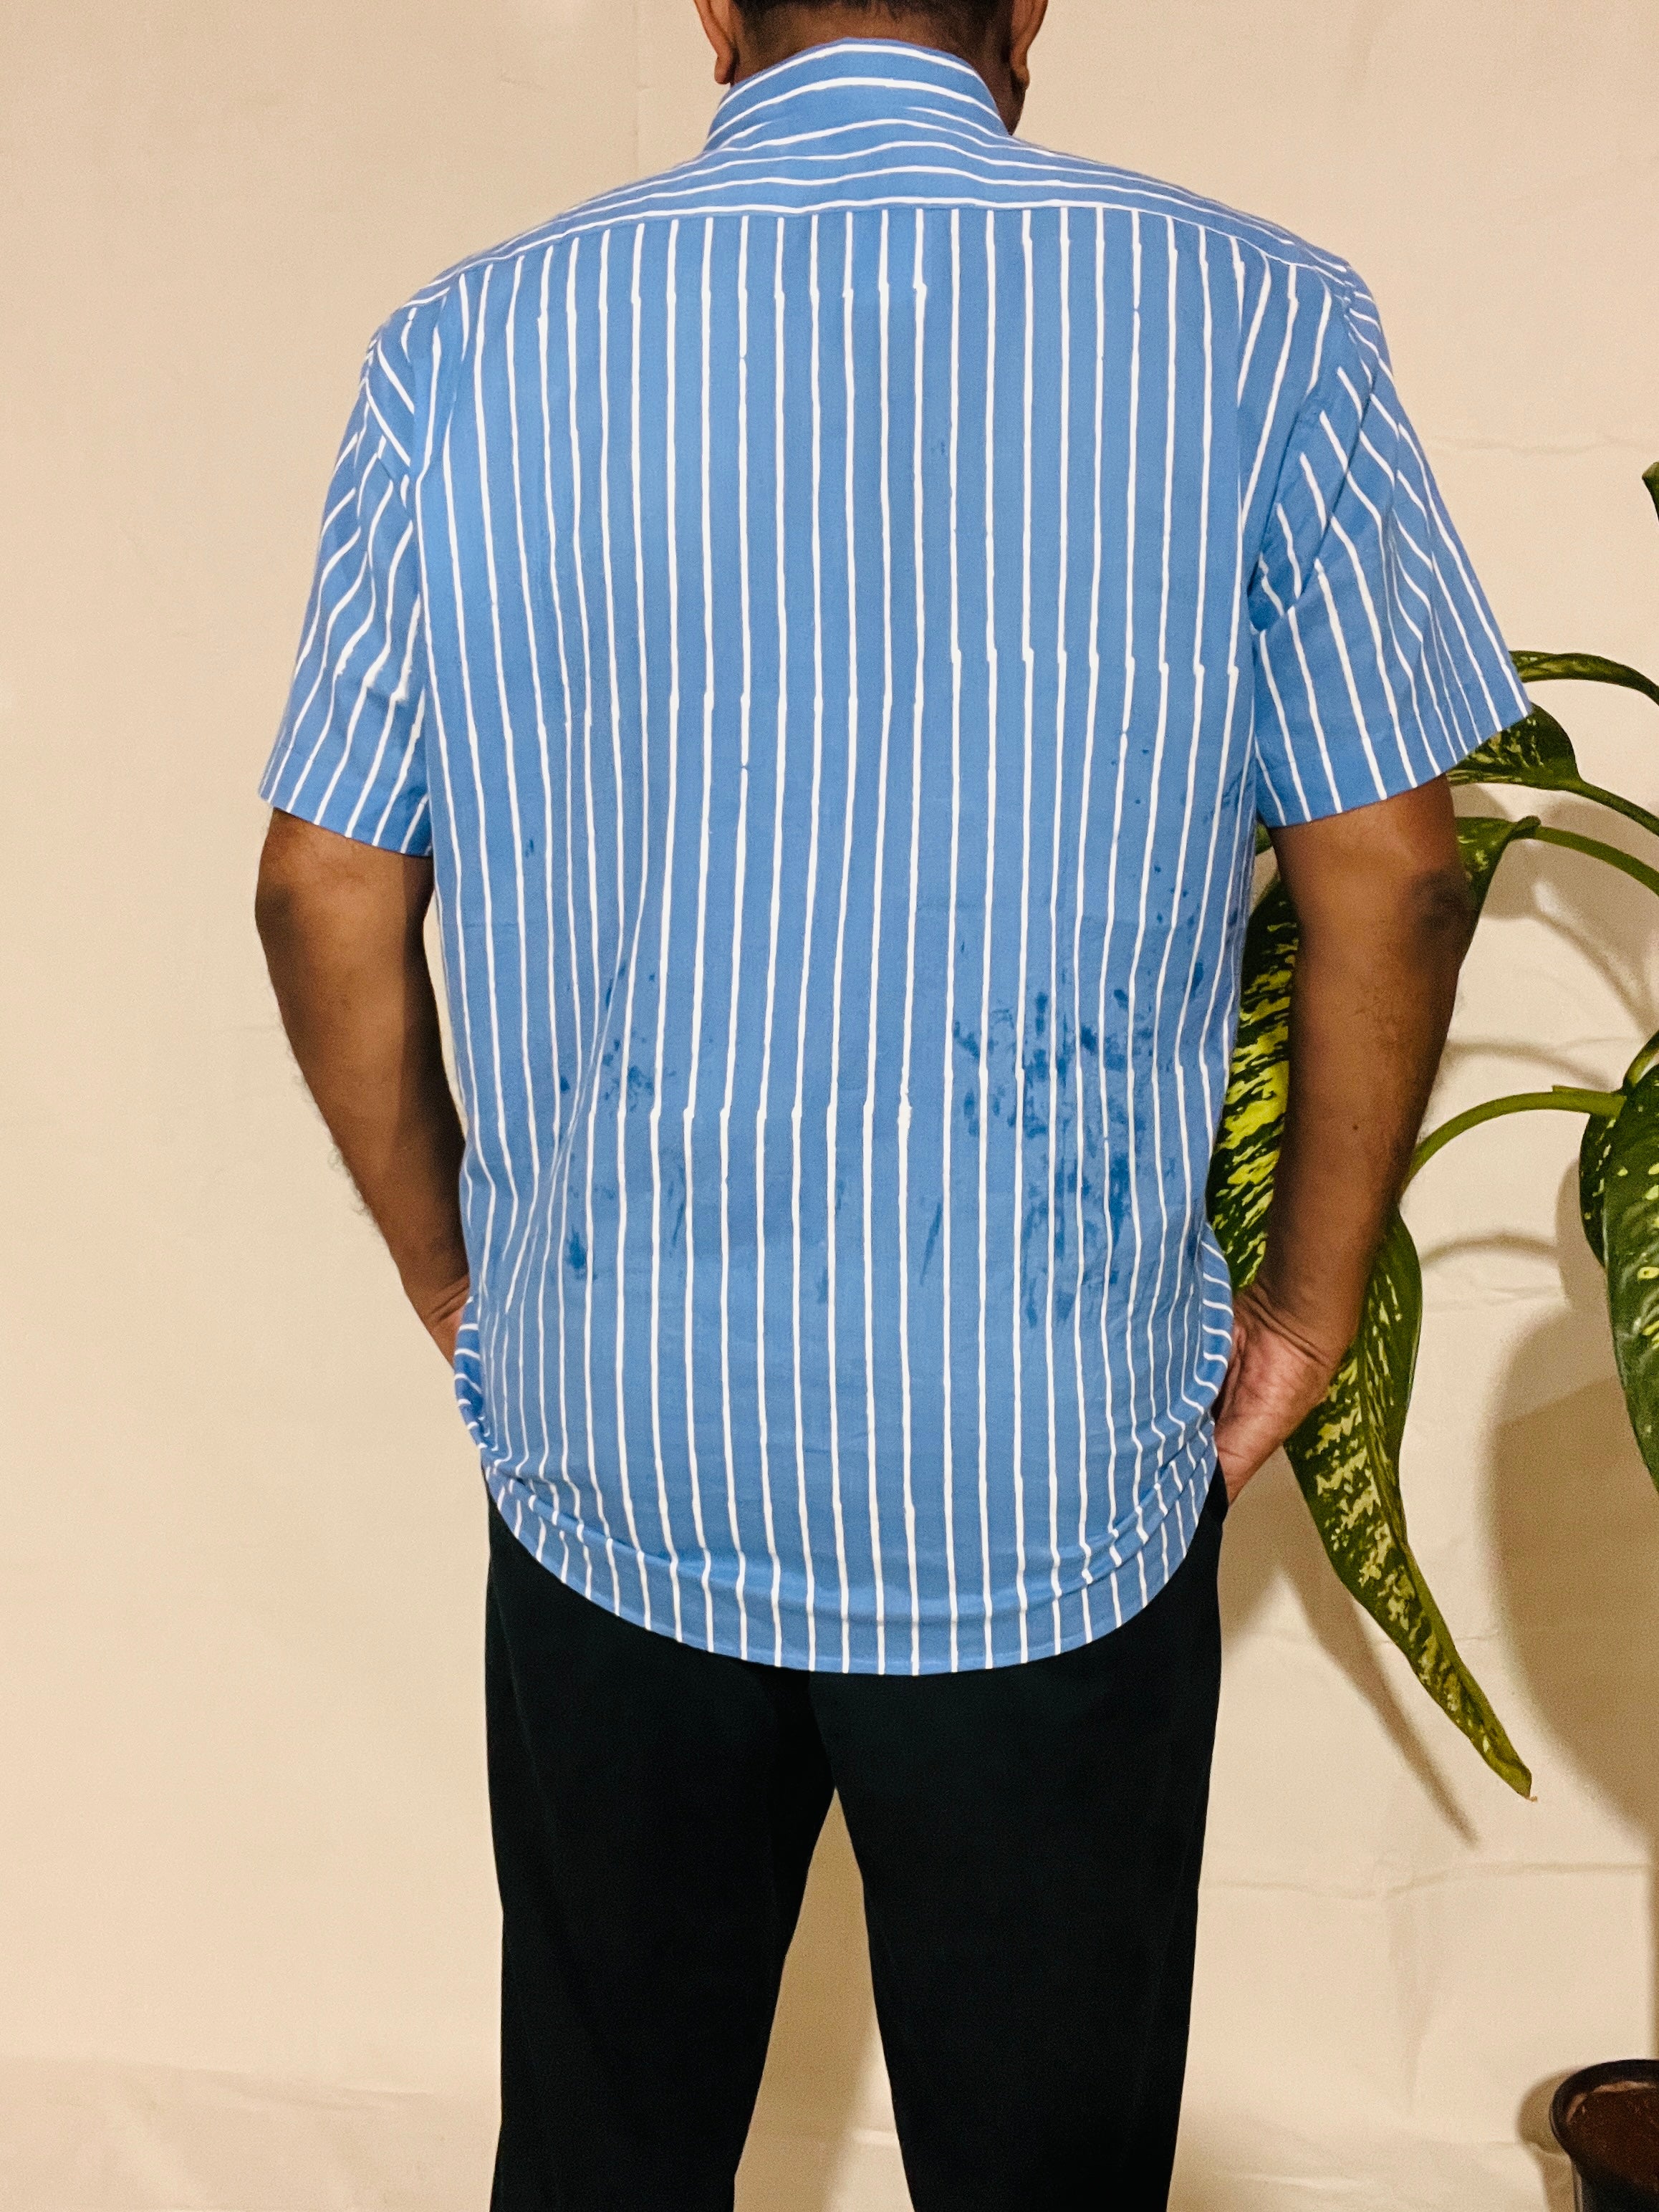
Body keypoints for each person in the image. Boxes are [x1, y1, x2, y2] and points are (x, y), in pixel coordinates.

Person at [254, 1, 1526, 2204]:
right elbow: (1396, 876)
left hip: (617, 1433)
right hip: (1043, 1470)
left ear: (710, 7)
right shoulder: (1254, 323)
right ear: (1025, 10)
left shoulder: (462, 348)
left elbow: (320, 884)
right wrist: (1307, 1315)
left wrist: (458, 1277)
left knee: (607, 2147)